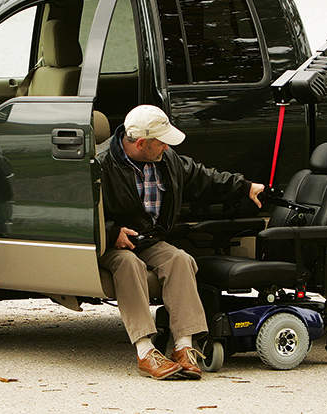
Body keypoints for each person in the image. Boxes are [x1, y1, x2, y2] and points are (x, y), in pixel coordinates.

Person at [98, 105, 265, 380]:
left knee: (180, 259)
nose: (166, 147)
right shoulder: (101, 162)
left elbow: (202, 176)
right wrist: (110, 231)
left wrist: (245, 186)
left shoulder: (167, 160)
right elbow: (77, 209)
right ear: (142, 143)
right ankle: (144, 351)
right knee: (129, 265)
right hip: (111, 243)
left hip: (148, 239)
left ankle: (184, 346)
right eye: (161, 142)